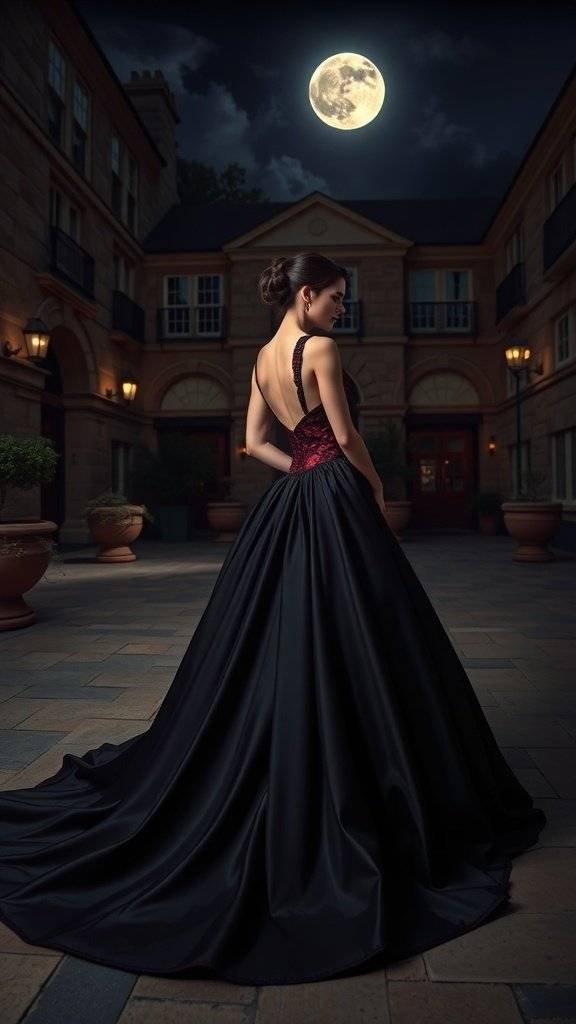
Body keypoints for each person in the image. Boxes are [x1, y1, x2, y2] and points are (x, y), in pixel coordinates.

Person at [0, 251, 547, 988]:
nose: (340, 312)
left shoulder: (261, 357)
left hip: (292, 502)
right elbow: (348, 437)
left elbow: (253, 441)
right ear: (307, 293)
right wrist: (375, 485)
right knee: (367, 627)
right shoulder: (318, 348)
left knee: (288, 629)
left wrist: (301, 472)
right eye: (336, 299)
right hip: (337, 498)